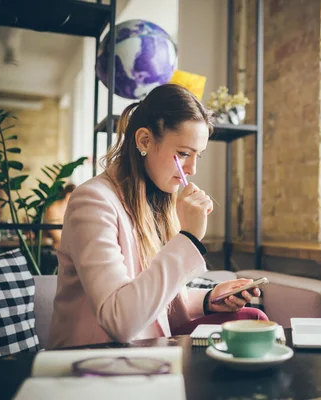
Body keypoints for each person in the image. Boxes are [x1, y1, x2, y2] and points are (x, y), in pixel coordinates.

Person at [48, 84, 268, 349]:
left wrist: (209, 298)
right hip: (94, 357)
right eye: (184, 153)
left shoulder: (156, 201)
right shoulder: (92, 201)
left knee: (253, 318)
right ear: (144, 141)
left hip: (146, 349)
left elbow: (154, 301)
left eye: (197, 155)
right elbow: (120, 321)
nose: (192, 169)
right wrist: (188, 237)